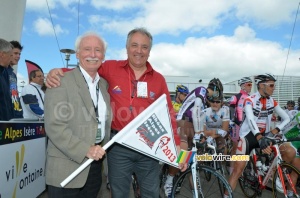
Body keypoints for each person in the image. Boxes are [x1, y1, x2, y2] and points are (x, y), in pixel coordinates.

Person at [46, 27, 187, 198]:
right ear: (127, 48)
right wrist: (58, 72)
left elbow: (168, 114)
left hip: (148, 146)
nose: (139, 51)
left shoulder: (158, 79)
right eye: (134, 45)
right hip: (118, 146)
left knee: (151, 192)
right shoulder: (111, 68)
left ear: (149, 51)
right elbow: (88, 66)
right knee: (119, 192)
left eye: (144, 47)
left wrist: (177, 143)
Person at [44, 31, 112, 198]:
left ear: (103, 56)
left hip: (95, 167)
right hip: (66, 167)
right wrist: (86, 150)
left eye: (98, 50)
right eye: (87, 49)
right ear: (77, 54)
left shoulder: (104, 85)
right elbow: (54, 127)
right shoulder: (60, 80)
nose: (93, 54)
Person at [225, 73, 290, 198]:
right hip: (248, 136)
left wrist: (276, 129)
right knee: (237, 171)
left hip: (264, 134)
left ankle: (272, 174)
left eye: (274, 85)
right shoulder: (250, 100)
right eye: (271, 85)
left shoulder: (272, 101)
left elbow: (287, 118)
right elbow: (250, 119)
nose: (273, 88)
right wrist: (259, 137)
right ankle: (226, 195)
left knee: (285, 149)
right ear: (261, 85)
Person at [162, 78, 223, 197]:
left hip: (191, 126)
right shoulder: (202, 91)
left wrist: (201, 133)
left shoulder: (205, 99)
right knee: (183, 155)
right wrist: (198, 133)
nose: (217, 97)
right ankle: (169, 182)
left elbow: (200, 117)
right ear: (215, 89)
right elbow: (195, 111)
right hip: (183, 123)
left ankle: (193, 186)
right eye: (218, 93)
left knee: (191, 159)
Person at [228, 77, 252, 174]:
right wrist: (232, 122)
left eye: (251, 84)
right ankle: (232, 169)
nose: (251, 86)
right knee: (235, 148)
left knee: (247, 148)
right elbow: (231, 111)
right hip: (237, 125)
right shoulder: (236, 97)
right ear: (243, 85)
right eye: (249, 84)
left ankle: (243, 168)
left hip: (247, 126)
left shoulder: (251, 97)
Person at [8, 40, 23, 118]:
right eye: (15, 53)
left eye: (19, 54)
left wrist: (19, 114)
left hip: (15, 117)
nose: (18, 56)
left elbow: (15, 96)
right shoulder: (2, 72)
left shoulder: (13, 74)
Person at [0, 38, 14, 121]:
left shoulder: (5, 73)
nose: (11, 59)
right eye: (11, 55)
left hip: (6, 127)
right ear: (2, 54)